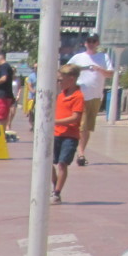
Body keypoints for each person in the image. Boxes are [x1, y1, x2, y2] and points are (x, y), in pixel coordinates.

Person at [67, 32, 114, 166]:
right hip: (80, 95)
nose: (91, 43)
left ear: (97, 43)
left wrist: (100, 70)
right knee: (82, 125)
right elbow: (65, 71)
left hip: (96, 96)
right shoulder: (78, 57)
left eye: (94, 41)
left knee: (87, 127)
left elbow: (110, 73)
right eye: (89, 41)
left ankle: (81, 151)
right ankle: (80, 153)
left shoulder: (103, 57)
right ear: (85, 43)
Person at [51, 64, 85, 204]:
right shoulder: (60, 96)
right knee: (49, 163)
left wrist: (55, 121)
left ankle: (57, 193)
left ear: (71, 79)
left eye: (61, 79)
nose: (59, 82)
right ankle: (55, 187)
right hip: (56, 133)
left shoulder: (78, 96)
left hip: (70, 135)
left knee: (62, 164)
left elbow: (75, 117)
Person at [0, 54, 16, 131]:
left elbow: (3, 78)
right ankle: (2, 134)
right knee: (3, 116)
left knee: (1, 117)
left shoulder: (4, 66)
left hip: (3, 95)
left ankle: (0, 135)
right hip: (5, 95)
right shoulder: (7, 66)